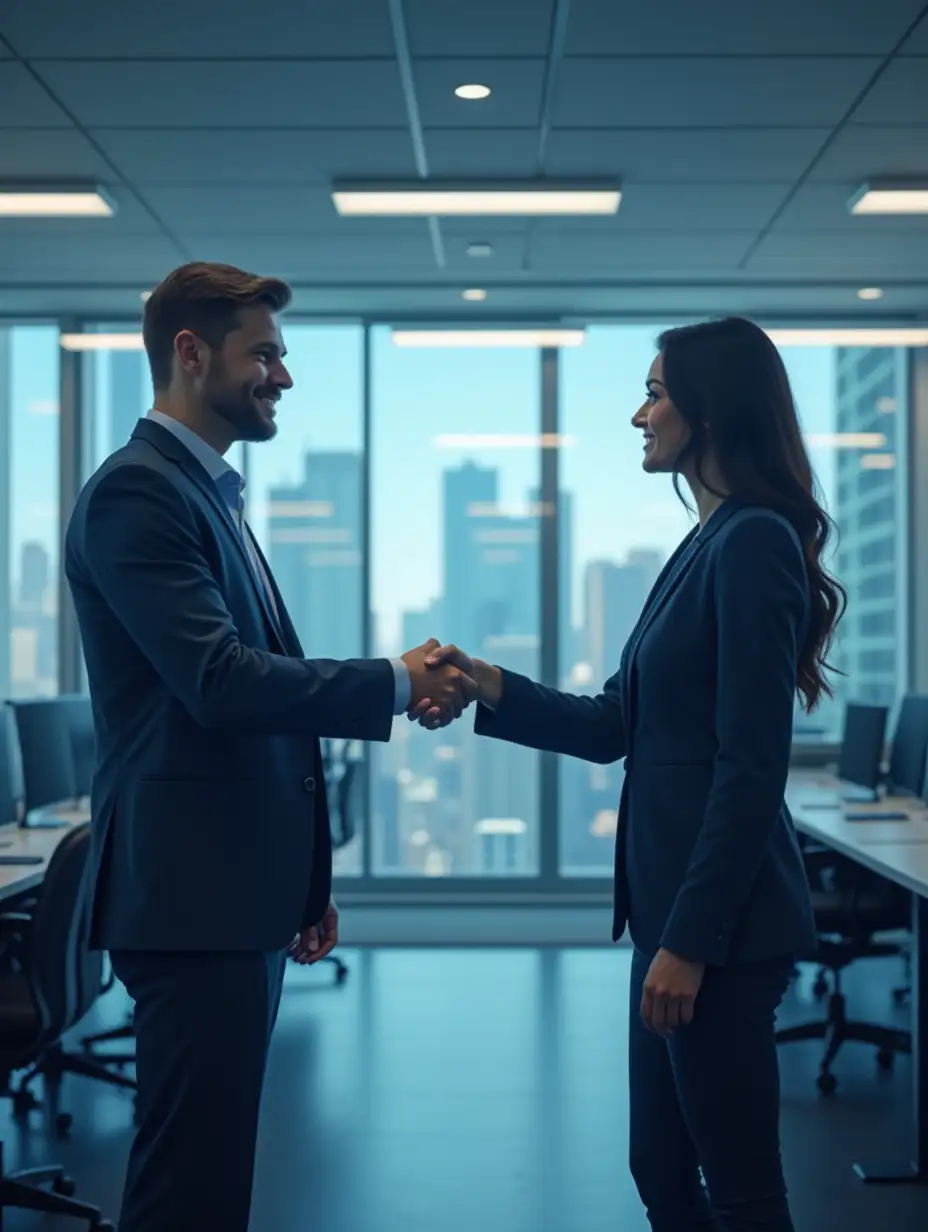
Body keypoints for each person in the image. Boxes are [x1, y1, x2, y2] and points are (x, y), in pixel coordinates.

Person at [65, 261, 475, 1232]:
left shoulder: (211, 494)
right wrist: (395, 677)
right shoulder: (140, 492)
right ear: (190, 352)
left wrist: (300, 878)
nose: (282, 375)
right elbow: (222, 683)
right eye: (265, 354)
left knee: (211, 1174)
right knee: (186, 1184)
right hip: (190, 898)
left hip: (225, 890)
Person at [415, 317, 845, 1231]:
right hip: (670, 917)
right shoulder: (707, 542)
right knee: (658, 1164)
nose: (639, 413)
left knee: (740, 1185)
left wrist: (690, 942)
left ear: (710, 408)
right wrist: (490, 683)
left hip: (713, 930)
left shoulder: (754, 541)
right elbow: (619, 724)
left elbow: (750, 765)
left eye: (655, 391)